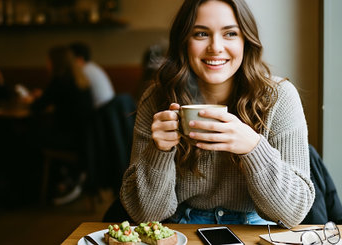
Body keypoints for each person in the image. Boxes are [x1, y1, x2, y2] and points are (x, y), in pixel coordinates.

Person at [120, 0, 314, 227]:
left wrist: (253, 148)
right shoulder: (157, 98)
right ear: (184, 42)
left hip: (255, 230)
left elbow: (292, 214)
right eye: (201, 34)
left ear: (245, 41)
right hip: (180, 229)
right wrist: (159, 152)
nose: (215, 47)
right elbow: (144, 216)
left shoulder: (279, 97)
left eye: (230, 33)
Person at [28, 45, 93, 205]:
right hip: (86, 140)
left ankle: (38, 191)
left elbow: (37, 107)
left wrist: (33, 99)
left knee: (28, 140)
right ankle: (65, 178)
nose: (46, 65)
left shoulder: (60, 81)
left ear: (56, 63)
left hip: (70, 141)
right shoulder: (81, 81)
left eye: (48, 61)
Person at [69, 42, 115, 108]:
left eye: (70, 59)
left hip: (100, 112)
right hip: (108, 111)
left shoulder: (83, 71)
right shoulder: (93, 67)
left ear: (79, 59)